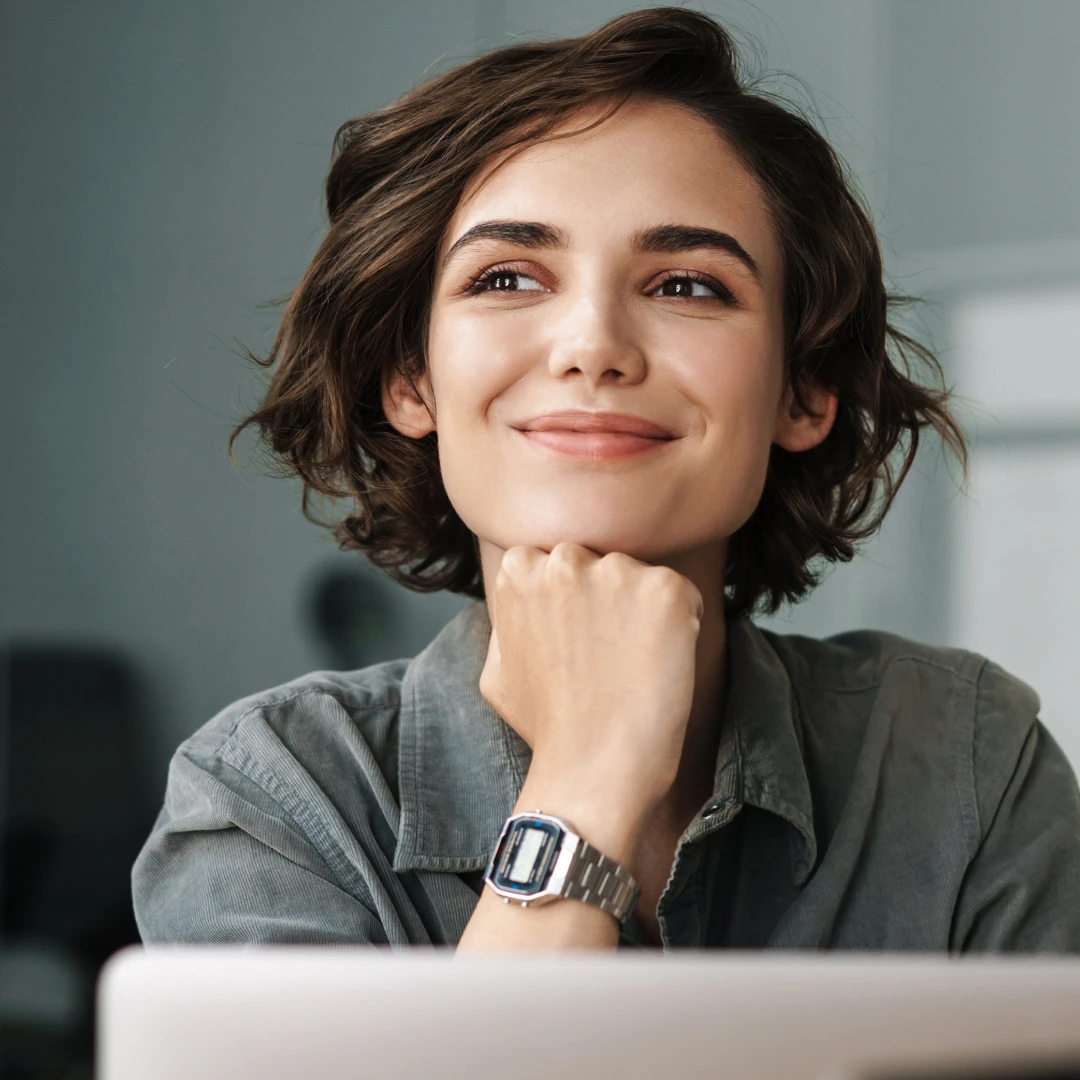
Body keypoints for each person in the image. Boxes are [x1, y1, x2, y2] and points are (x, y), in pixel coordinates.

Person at [132, 7, 1080, 952]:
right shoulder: (271, 802)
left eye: (687, 285)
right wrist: (590, 774)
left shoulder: (968, 765)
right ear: (410, 378)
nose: (592, 346)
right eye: (506, 278)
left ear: (806, 389)